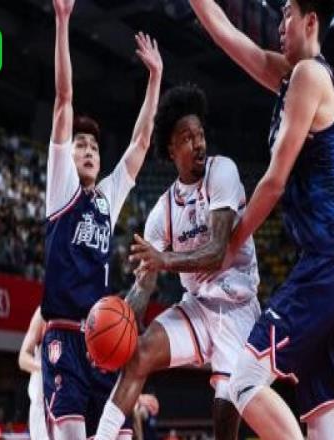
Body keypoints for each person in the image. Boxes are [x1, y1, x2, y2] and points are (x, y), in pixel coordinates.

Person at [189, 0, 334, 439]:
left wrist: (229, 245)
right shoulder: (295, 78)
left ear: (311, 21)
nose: (279, 24)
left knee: (244, 381)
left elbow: (274, 183)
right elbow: (228, 36)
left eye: (287, 13)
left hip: (327, 262)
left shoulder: (308, 75)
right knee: (323, 428)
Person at [95, 84, 260, 440]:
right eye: (187, 138)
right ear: (171, 150)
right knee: (139, 354)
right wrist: (119, 323)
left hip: (238, 307)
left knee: (225, 404)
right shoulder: (162, 212)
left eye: (200, 135)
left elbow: (217, 252)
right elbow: (144, 286)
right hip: (198, 306)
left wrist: (164, 259)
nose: (198, 144)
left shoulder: (222, 171)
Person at [42, 1, 163, 439]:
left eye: (94, 146)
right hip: (63, 336)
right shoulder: (62, 187)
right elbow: (64, 100)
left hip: (102, 340)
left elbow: (141, 142)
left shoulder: (107, 198)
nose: (89, 150)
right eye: (81, 145)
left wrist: (155, 78)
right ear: (68, 155)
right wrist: (62, 21)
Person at [18, 307, 48, 440]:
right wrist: (46, 368)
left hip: (73, 401)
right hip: (42, 405)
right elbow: (23, 359)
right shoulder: (43, 312)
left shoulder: (83, 308)